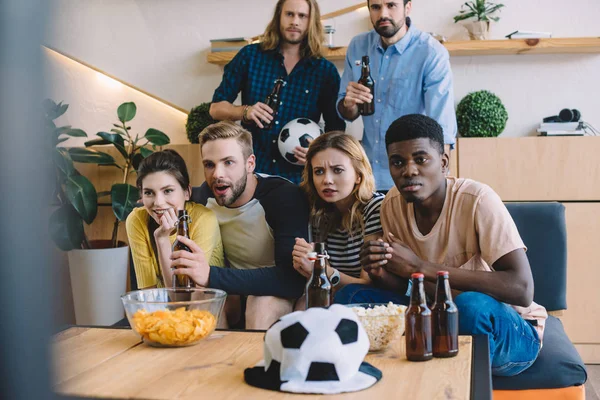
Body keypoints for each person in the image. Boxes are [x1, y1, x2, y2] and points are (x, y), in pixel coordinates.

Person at [338, 114, 547, 376]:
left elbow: (522, 289)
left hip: (511, 329)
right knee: (352, 298)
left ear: (444, 163)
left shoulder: (477, 200)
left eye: (421, 159)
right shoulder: (391, 205)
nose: (409, 170)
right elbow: (407, 288)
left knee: (471, 307)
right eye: (398, 162)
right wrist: (381, 272)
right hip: (437, 320)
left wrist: (422, 266)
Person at [169, 121, 309, 329]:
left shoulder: (283, 197)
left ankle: (257, 362)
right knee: (202, 298)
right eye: (209, 164)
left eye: (228, 162)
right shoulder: (202, 198)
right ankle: (212, 361)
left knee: (260, 303)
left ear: (250, 163)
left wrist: (210, 275)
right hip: (231, 291)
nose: (217, 174)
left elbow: (290, 278)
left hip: (278, 292)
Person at [209, 0, 345, 184]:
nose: (295, 21)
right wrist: (245, 111)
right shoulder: (250, 56)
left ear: (310, 21)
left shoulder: (325, 71)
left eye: (302, 16)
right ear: (279, 17)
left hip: (299, 180)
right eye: (289, 14)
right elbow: (216, 108)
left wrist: (318, 153)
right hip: (252, 174)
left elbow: (336, 130)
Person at [337, 0, 457, 190]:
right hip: (366, 177)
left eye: (391, 5)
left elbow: (442, 128)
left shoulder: (432, 53)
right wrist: (349, 104)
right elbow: (346, 112)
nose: (383, 13)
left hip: (412, 178)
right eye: (375, 7)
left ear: (407, 7)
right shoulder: (358, 47)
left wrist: (440, 184)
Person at [292, 131, 385, 296]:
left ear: (358, 175)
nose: (327, 180)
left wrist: (322, 269)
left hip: (365, 302)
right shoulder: (316, 211)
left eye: (337, 170)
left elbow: (368, 286)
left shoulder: (375, 207)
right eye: (319, 171)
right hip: (331, 298)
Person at [126, 149, 224, 289]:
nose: (158, 202)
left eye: (168, 191)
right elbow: (149, 294)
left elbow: (184, 296)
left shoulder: (203, 219)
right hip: (163, 307)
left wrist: (162, 239)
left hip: (204, 305)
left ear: (186, 192)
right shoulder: (137, 220)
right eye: (149, 192)